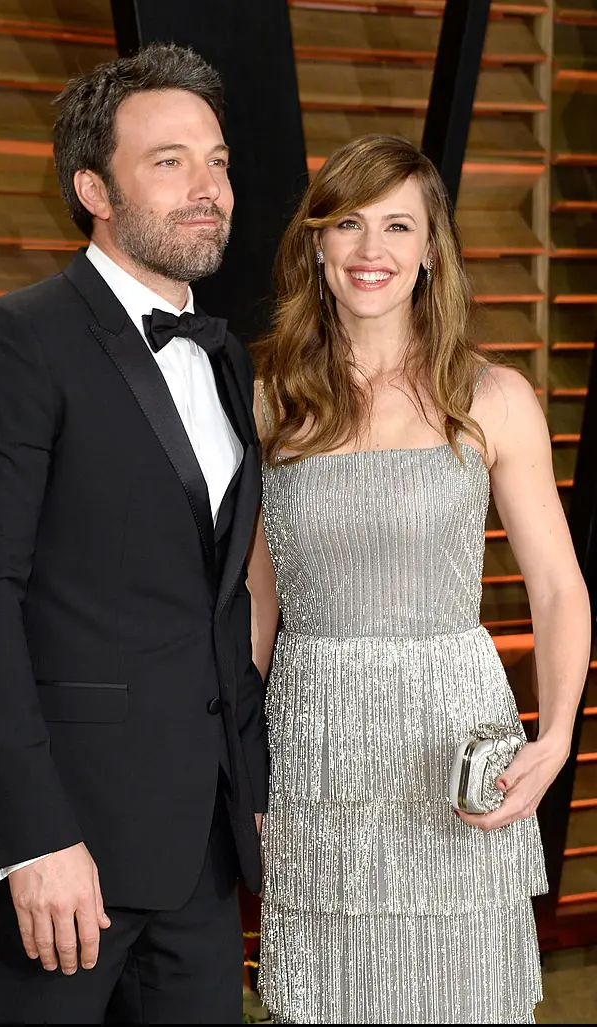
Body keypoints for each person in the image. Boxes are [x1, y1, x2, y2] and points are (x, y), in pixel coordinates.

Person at [0, 43, 266, 1025]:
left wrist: (253, 797)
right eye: (168, 161)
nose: (206, 188)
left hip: (198, 856)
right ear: (91, 188)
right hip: (56, 857)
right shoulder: (10, 340)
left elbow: (219, 605)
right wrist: (34, 839)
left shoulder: (225, 355)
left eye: (217, 160)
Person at [246, 134, 591, 1024]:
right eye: (349, 224)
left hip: (453, 742)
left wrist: (554, 740)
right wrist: (238, 767)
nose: (372, 251)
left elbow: (557, 587)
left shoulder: (494, 396)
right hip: (316, 744)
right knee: (323, 997)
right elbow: (253, 601)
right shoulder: (265, 399)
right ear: (316, 243)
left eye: (399, 225)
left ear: (431, 248)